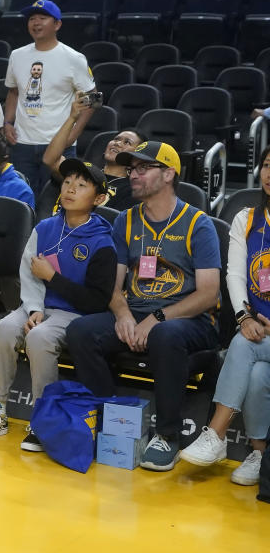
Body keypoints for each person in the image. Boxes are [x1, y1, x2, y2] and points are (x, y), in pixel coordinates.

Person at [65, 141, 221, 472]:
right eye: (131, 169)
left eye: (142, 168)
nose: (132, 175)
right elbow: (113, 282)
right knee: (80, 331)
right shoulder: (125, 220)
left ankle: (168, 435)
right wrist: (121, 314)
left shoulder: (198, 223)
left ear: (168, 174)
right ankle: (111, 419)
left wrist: (157, 318)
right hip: (137, 313)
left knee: (165, 335)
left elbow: (208, 294)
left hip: (189, 319)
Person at [0, 159, 116, 450]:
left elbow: (96, 301)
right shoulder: (45, 227)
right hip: (39, 305)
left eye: (81, 185)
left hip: (74, 312)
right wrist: (34, 308)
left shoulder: (102, 242)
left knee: (40, 337)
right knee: (5, 329)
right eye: (68, 182)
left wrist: (53, 278)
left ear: (98, 199)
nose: (70, 189)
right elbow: (27, 272)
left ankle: (43, 419)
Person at [178, 145, 270, 486]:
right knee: (258, 374)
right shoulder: (246, 219)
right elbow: (233, 275)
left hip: (258, 336)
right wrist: (244, 317)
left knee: (242, 348)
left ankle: (215, 434)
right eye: (266, 165)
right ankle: (259, 453)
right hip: (257, 330)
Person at [3, 0, 96, 191]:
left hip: (57, 143)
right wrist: (8, 122)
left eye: (42, 18)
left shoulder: (73, 58)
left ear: (57, 24)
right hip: (22, 143)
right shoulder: (16, 55)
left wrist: (72, 136)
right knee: (22, 200)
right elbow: (13, 91)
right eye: (32, 18)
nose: (36, 22)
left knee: (57, 202)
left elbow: (93, 100)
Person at [42, 95, 147, 212]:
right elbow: (50, 160)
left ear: (136, 157)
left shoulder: (131, 190)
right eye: (116, 139)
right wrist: (72, 118)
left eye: (127, 142)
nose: (117, 143)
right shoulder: (84, 170)